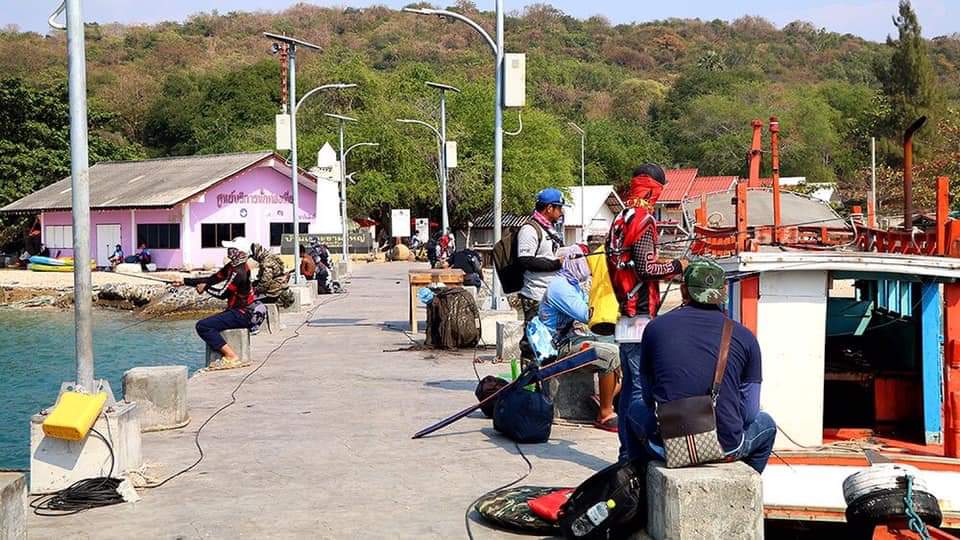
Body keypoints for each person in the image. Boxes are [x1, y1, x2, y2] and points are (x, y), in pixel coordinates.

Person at [620, 259, 775, 473]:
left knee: (634, 410)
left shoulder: (655, 329)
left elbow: (647, 397)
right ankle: (743, 491)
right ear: (722, 293)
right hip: (725, 447)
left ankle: (637, 480)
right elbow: (749, 413)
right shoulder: (746, 337)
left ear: (684, 290)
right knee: (766, 424)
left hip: (667, 445)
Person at [606, 165, 686, 458]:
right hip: (640, 317)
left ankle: (625, 451)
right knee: (641, 390)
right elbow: (646, 268)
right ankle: (635, 455)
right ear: (654, 191)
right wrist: (677, 266)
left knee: (629, 390)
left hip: (625, 316)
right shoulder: (643, 220)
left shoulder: (619, 219)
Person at [537, 244, 621, 432]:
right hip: (560, 347)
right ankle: (605, 413)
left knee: (626, 348)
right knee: (610, 354)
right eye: (583, 259)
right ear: (571, 261)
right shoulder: (559, 287)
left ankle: (604, 397)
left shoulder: (573, 284)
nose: (587, 264)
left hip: (574, 338)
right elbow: (587, 315)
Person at [172, 237, 262, 370]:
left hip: (243, 314)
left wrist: (205, 288)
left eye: (232, 249)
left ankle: (231, 357)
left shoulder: (239, 272)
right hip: (237, 311)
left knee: (203, 326)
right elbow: (212, 279)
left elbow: (222, 294)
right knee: (211, 323)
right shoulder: (232, 266)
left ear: (241, 253)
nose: (228, 251)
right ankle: (229, 355)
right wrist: (184, 282)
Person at [517, 188, 567, 359]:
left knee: (549, 339)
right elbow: (525, 260)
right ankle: (528, 380)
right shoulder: (530, 230)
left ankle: (544, 380)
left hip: (551, 294)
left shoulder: (550, 230)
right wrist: (554, 264)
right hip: (535, 294)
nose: (561, 212)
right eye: (559, 208)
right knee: (533, 340)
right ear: (549, 208)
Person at [249, 243, 293, 308]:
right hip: (277, 287)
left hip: (274, 292)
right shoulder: (270, 257)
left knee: (252, 304)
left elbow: (266, 280)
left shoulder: (266, 263)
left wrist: (257, 289)